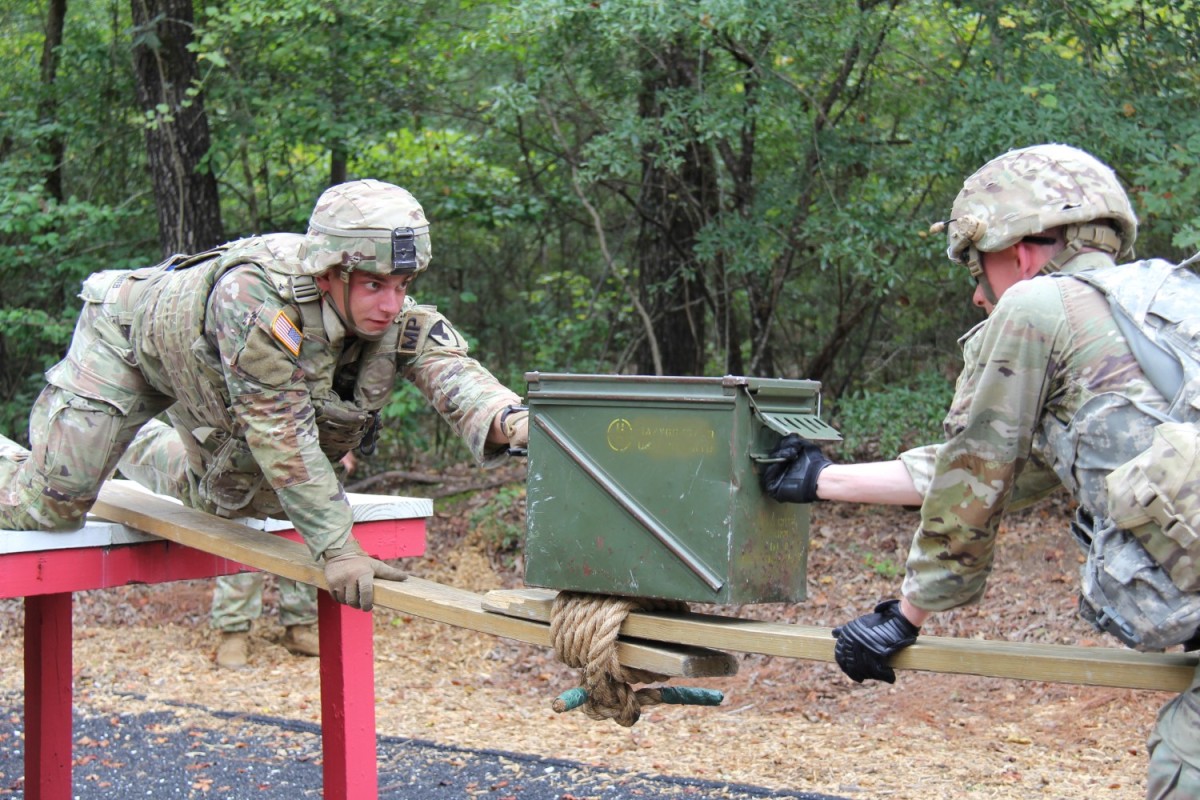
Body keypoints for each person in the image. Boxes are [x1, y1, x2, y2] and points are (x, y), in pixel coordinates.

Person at [762, 144, 1199, 799]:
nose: (976, 291)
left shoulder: (1036, 310)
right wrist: (824, 480)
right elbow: (1004, 470)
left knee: (1184, 768)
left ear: (1018, 249)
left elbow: (973, 486)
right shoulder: (1156, 312)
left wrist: (904, 616)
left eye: (976, 262)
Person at [0, 180, 530, 664]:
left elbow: (451, 370)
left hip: (211, 382)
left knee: (230, 501)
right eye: (375, 285)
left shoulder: (388, 313)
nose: (393, 304)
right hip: (128, 343)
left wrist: (513, 421)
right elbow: (280, 431)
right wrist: (339, 548)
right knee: (51, 505)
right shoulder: (253, 299)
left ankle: (130, 444)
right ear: (329, 274)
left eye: (403, 283)